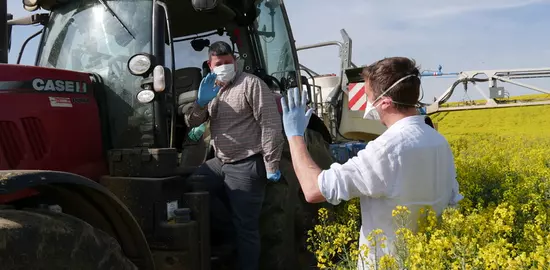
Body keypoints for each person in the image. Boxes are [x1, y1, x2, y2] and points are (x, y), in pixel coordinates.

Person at [279, 57, 463, 268]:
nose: (367, 104)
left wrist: (294, 136)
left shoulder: (387, 149)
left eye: (368, 97)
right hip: (426, 260)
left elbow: (313, 190)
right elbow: (451, 198)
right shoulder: (438, 141)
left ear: (385, 102)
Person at [185, 41, 285, 270]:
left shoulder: (251, 84)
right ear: (210, 65)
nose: (224, 67)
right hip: (220, 161)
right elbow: (193, 122)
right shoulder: (212, 88)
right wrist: (200, 103)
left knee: (247, 228)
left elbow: (270, 124)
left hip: (246, 164)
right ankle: (228, 232)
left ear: (235, 61)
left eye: (228, 63)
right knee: (194, 185)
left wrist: (271, 164)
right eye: (219, 64)